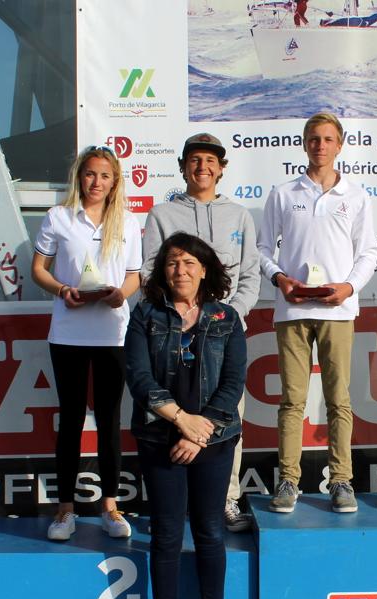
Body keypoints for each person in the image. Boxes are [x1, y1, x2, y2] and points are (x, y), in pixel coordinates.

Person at [125, 233, 245, 599]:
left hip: (213, 442)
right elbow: (138, 378)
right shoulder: (145, 316)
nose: (182, 270)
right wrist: (181, 421)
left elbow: (233, 383)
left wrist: (200, 431)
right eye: (173, 262)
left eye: (190, 262)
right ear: (162, 272)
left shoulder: (227, 317)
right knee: (167, 535)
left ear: (206, 270)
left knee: (212, 532)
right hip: (161, 441)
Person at [257, 111, 377, 514]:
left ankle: (340, 480)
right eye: (313, 138)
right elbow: (261, 248)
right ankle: (288, 480)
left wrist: (348, 287)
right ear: (305, 144)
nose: (320, 145)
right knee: (292, 400)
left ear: (339, 145)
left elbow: (369, 252)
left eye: (327, 139)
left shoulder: (356, 195)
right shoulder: (283, 193)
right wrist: (279, 279)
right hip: (292, 309)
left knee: (337, 399)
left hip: (338, 310)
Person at [144, 133, 259, 534]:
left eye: (211, 161)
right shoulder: (161, 215)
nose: (203, 168)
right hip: (170, 336)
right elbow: (148, 273)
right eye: (195, 160)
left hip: (223, 338)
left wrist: (227, 320)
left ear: (222, 169)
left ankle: (225, 499)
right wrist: (172, 321)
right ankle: (173, 504)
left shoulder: (240, 216)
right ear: (182, 167)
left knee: (226, 416)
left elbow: (249, 276)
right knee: (168, 414)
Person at [30, 145, 142, 541]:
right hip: (69, 334)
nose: (97, 182)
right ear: (80, 177)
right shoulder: (58, 217)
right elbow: (38, 269)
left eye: (105, 176)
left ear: (115, 183)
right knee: (72, 419)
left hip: (113, 333)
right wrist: (62, 290)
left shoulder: (128, 222)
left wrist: (120, 295)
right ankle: (65, 510)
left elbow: (133, 275)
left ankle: (111, 506)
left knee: (111, 420)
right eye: (91, 174)